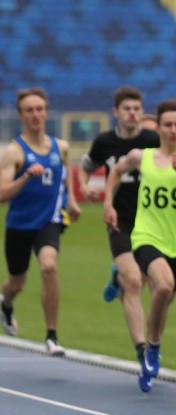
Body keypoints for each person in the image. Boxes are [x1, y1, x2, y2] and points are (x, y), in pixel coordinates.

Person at [103, 99, 176, 393]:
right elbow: (114, 173)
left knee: (163, 302)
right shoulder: (142, 156)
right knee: (162, 286)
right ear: (159, 127)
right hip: (146, 237)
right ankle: (152, 347)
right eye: (168, 125)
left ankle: (150, 352)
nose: (173, 130)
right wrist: (108, 203)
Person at [78, 87, 160, 364]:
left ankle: (117, 275)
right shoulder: (104, 142)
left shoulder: (152, 139)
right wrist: (83, 185)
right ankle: (141, 349)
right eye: (127, 109)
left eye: (137, 108)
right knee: (134, 281)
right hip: (120, 221)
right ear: (116, 112)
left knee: (148, 282)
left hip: (150, 222)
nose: (133, 113)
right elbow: (85, 166)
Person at [0, 88, 80, 356]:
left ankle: (52, 336)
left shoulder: (61, 147)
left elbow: (65, 175)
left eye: (39, 109)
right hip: (20, 224)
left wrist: (73, 201)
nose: (35, 115)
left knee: (49, 267)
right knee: (16, 283)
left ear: (46, 112)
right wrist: (25, 178)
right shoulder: (14, 152)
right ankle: (5, 303)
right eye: (29, 110)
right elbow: (1, 194)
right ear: (21, 115)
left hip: (49, 221)